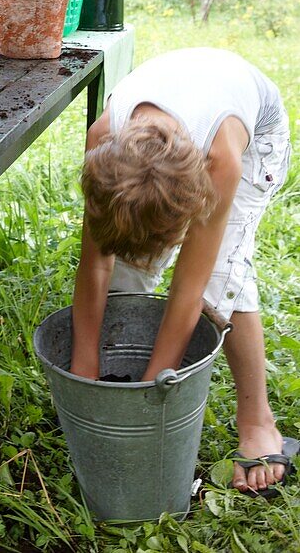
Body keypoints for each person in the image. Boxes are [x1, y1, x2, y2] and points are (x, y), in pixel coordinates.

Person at [70, 47, 296, 498]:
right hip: (181, 102)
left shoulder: (220, 160)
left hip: (252, 139)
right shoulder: (104, 143)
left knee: (220, 282)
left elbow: (189, 292)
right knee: (125, 275)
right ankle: (120, 364)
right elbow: (95, 262)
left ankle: (259, 425)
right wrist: (84, 372)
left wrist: (155, 397)